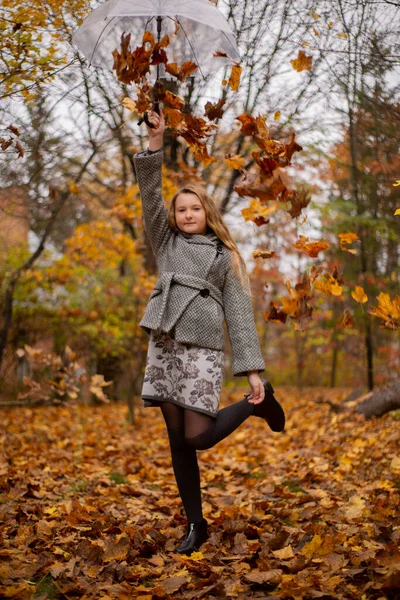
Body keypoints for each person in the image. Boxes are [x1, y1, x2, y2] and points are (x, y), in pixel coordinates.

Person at [134, 110, 285, 556]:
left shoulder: (224, 256)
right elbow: (148, 195)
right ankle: (195, 524)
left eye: (194, 207)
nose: (185, 214)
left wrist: (253, 373)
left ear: (207, 211)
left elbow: (239, 313)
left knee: (198, 436)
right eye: (180, 209)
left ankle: (256, 405)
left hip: (201, 346)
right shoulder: (166, 241)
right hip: (164, 342)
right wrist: (156, 142)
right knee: (177, 441)